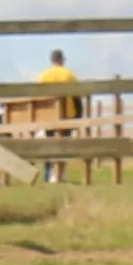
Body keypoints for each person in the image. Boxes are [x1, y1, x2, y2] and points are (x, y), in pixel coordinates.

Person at [37, 46, 78, 184]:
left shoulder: (43, 75)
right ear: (61, 60)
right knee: (64, 144)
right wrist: (78, 116)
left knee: (49, 144)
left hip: (48, 115)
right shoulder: (68, 74)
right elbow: (77, 96)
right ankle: (60, 174)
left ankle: (48, 174)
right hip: (66, 114)